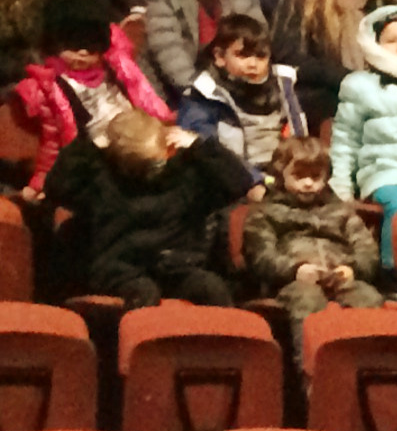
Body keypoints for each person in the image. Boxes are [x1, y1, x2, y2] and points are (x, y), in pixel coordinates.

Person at [42, 112, 251, 306]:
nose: (147, 173)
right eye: (138, 165)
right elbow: (57, 188)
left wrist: (200, 146)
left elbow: (239, 183)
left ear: (169, 148)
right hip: (122, 269)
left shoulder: (186, 174)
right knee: (144, 294)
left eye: (154, 164)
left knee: (211, 288)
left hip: (176, 264)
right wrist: (90, 147)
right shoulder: (101, 178)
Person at [11, 0, 173, 198]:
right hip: (99, 155)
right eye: (74, 45)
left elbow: (144, 95)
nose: (84, 53)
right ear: (55, 43)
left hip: (139, 136)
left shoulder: (115, 65)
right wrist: (41, 181)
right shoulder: (52, 87)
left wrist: (165, 125)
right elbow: (51, 140)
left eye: (92, 46)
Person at [241, 134, 381, 342]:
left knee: (369, 298)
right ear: (281, 175)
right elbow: (261, 256)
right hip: (292, 283)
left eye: (315, 177)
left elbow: (367, 249)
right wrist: (295, 270)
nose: (308, 183)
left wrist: (352, 270)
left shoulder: (341, 211)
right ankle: (311, 368)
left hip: (340, 278)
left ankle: (362, 367)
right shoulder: (265, 213)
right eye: (299, 176)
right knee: (307, 299)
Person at [174, 17, 307, 182]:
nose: (253, 64)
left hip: (281, 176)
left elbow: (300, 137)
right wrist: (255, 181)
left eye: (261, 56)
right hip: (230, 181)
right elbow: (206, 153)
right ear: (220, 57)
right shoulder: (204, 94)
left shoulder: (282, 83)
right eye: (242, 55)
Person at [268, 0, 375, 131]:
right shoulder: (301, 2)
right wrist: (344, 78)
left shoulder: (378, 3)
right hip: (319, 94)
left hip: (369, 91)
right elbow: (290, 57)